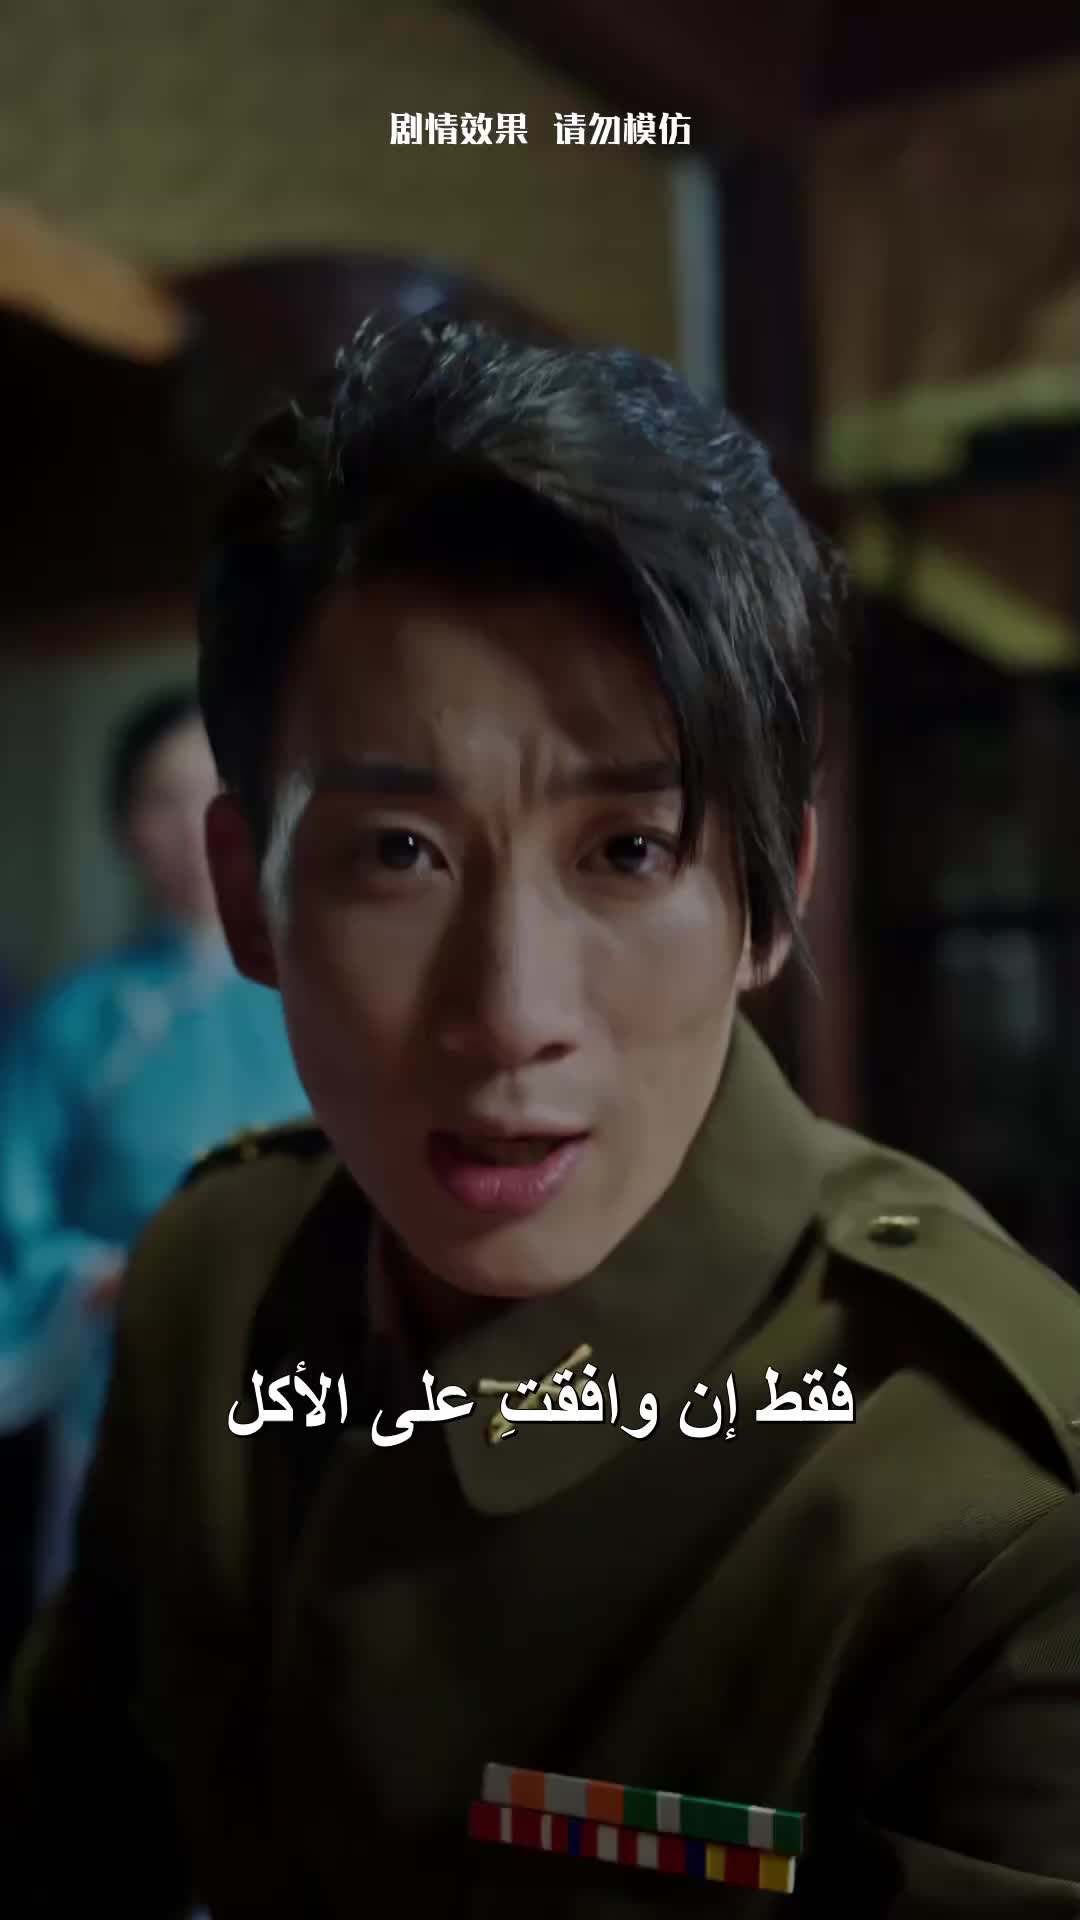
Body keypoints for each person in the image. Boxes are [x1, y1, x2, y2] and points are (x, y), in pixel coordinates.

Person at [4, 316, 1078, 1917]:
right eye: (398, 855)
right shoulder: (212, 1284)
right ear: (247, 895)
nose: (512, 1012)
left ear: (770, 895)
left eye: (629, 851)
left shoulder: (998, 1514)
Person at [0, 690, 309, 1602]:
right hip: (122, 1379)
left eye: (219, 794)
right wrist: (100, 1278)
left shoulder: (332, 994)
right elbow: (17, 1214)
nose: (193, 828)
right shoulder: (74, 1017)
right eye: (162, 799)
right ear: (123, 826)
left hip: (310, 1375)